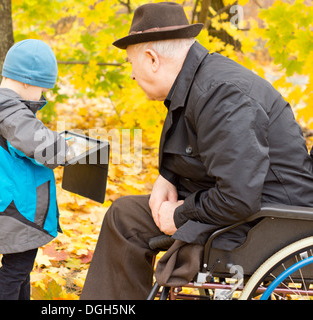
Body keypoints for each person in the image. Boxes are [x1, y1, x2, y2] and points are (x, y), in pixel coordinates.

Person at [80, 2, 313, 300]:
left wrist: (179, 214)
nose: (131, 75)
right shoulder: (195, 83)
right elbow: (200, 149)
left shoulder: (221, 94)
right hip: (240, 205)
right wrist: (167, 177)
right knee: (124, 216)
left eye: (130, 63)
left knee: (138, 220)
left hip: (269, 222)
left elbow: (238, 197)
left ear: (151, 59)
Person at [0, 39, 67, 300]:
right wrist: (76, 148)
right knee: (15, 271)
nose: (41, 97)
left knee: (19, 269)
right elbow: (49, 151)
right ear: (27, 81)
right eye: (41, 89)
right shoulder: (15, 116)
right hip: (20, 212)